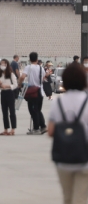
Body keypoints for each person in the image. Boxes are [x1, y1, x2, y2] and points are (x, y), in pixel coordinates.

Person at [47, 62, 88, 204]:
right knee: (81, 199)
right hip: (85, 160)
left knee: (68, 198)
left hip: (64, 160)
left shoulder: (57, 103)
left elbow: (50, 131)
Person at [21, 52, 48, 135]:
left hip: (32, 92)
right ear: (37, 59)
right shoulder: (41, 68)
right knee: (38, 110)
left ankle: (36, 128)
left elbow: (22, 77)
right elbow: (43, 78)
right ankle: (43, 126)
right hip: (40, 91)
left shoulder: (28, 67)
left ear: (29, 59)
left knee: (33, 110)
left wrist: (19, 84)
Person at [0, 58, 18, 136]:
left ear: (7, 65)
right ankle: (5, 129)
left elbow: (15, 85)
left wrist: (8, 86)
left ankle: (13, 129)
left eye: (4, 64)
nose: (2, 65)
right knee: (4, 112)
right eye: (1, 64)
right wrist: (0, 86)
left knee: (12, 111)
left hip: (10, 93)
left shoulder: (11, 74)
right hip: (3, 93)